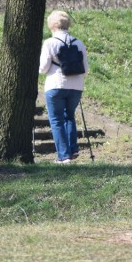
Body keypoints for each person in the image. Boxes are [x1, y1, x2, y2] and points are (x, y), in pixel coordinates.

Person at [39, 10, 90, 163]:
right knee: (69, 117)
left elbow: (43, 68)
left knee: (56, 120)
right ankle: (73, 149)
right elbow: (85, 69)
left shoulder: (49, 43)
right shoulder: (79, 43)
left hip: (55, 85)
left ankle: (63, 156)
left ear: (52, 26)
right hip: (76, 86)